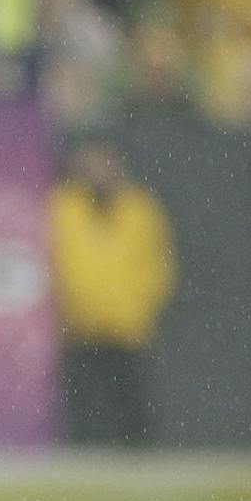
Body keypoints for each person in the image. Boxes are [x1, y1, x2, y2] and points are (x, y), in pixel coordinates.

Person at [49, 137, 177, 446]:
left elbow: (157, 265)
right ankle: (80, 464)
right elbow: (52, 260)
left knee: (129, 402)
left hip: (125, 326)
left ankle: (136, 462)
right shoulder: (62, 207)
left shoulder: (139, 208)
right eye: (92, 161)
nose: (98, 169)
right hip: (77, 326)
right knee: (79, 407)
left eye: (105, 160)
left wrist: (138, 306)